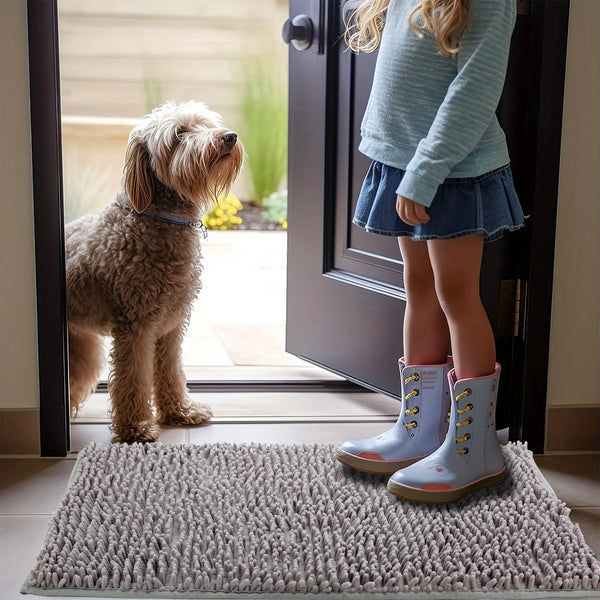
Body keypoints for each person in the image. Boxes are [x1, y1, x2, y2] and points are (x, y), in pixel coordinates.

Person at [335, 0, 525, 504]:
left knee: (456, 295)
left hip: (452, 170)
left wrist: (424, 173)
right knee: (418, 288)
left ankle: (475, 450)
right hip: (405, 163)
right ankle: (418, 431)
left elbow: (475, 91)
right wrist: (401, 166)